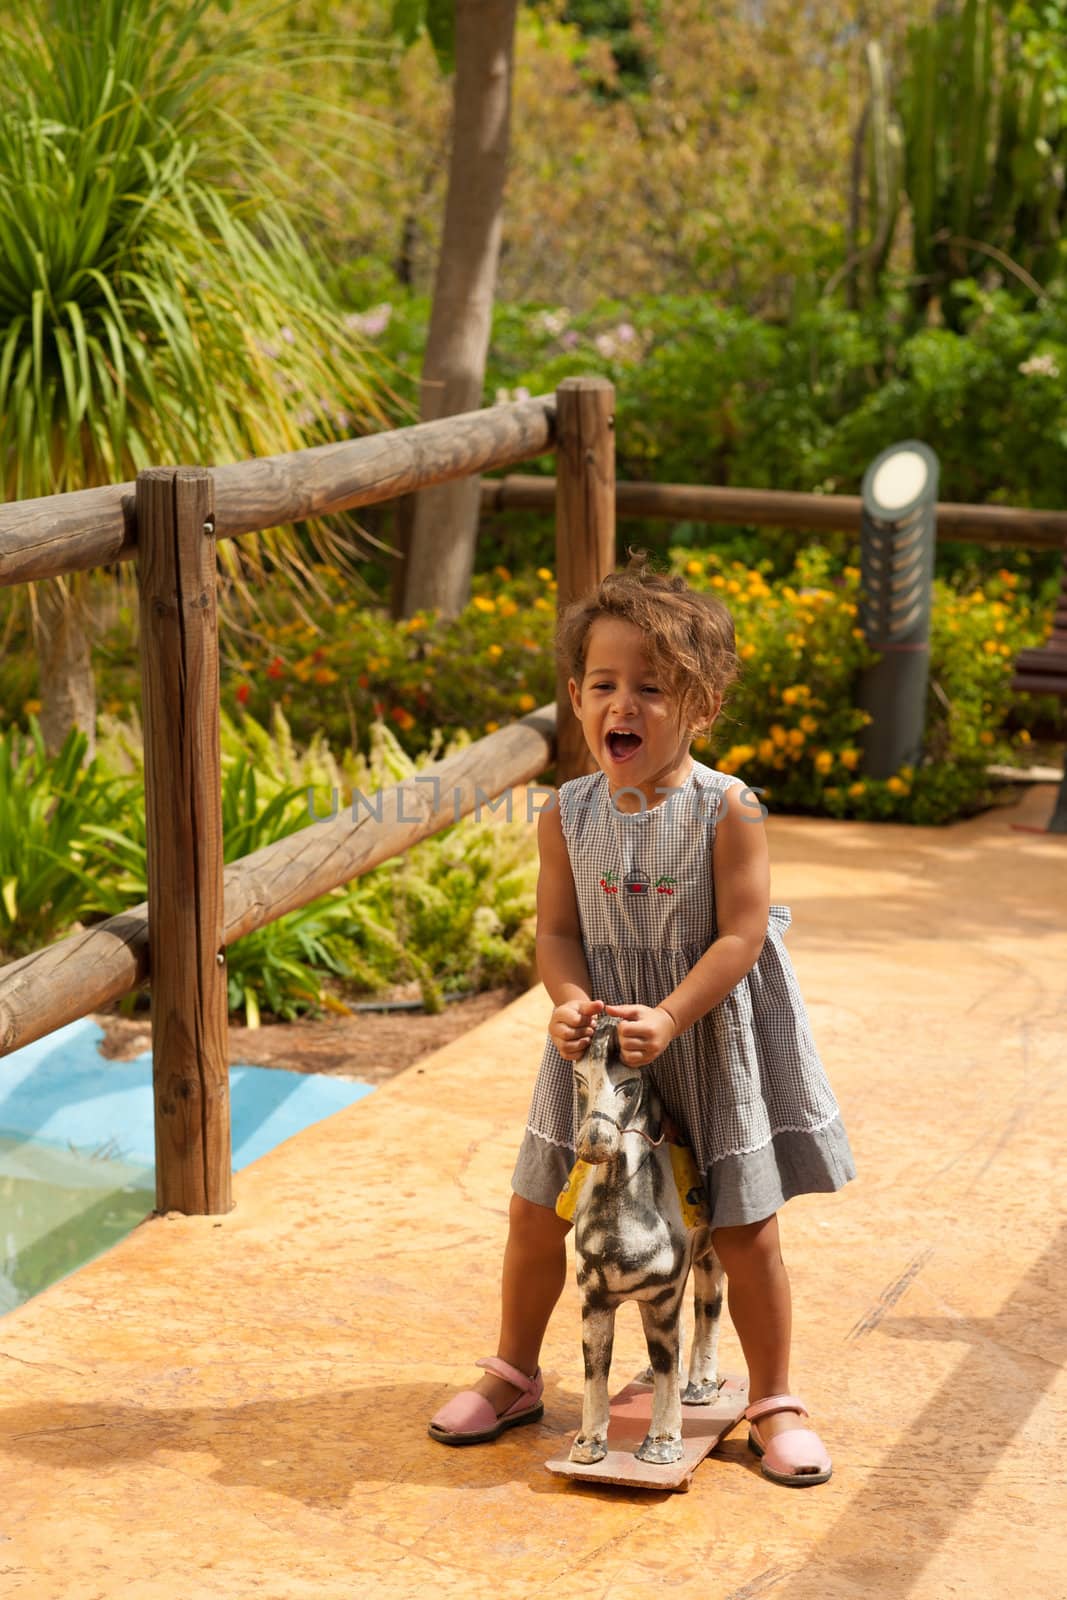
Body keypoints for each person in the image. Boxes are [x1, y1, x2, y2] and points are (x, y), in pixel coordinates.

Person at [427, 556, 855, 1485]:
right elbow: (554, 932)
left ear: (698, 706)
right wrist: (569, 1003)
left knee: (742, 1226)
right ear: (576, 697)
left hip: (704, 1032)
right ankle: (513, 1372)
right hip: (599, 1051)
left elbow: (742, 935)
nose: (622, 704)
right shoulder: (566, 813)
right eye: (603, 685)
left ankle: (774, 1398)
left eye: (650, 688)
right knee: (542, 1207)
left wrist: (666, 1015)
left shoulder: (727, 808)